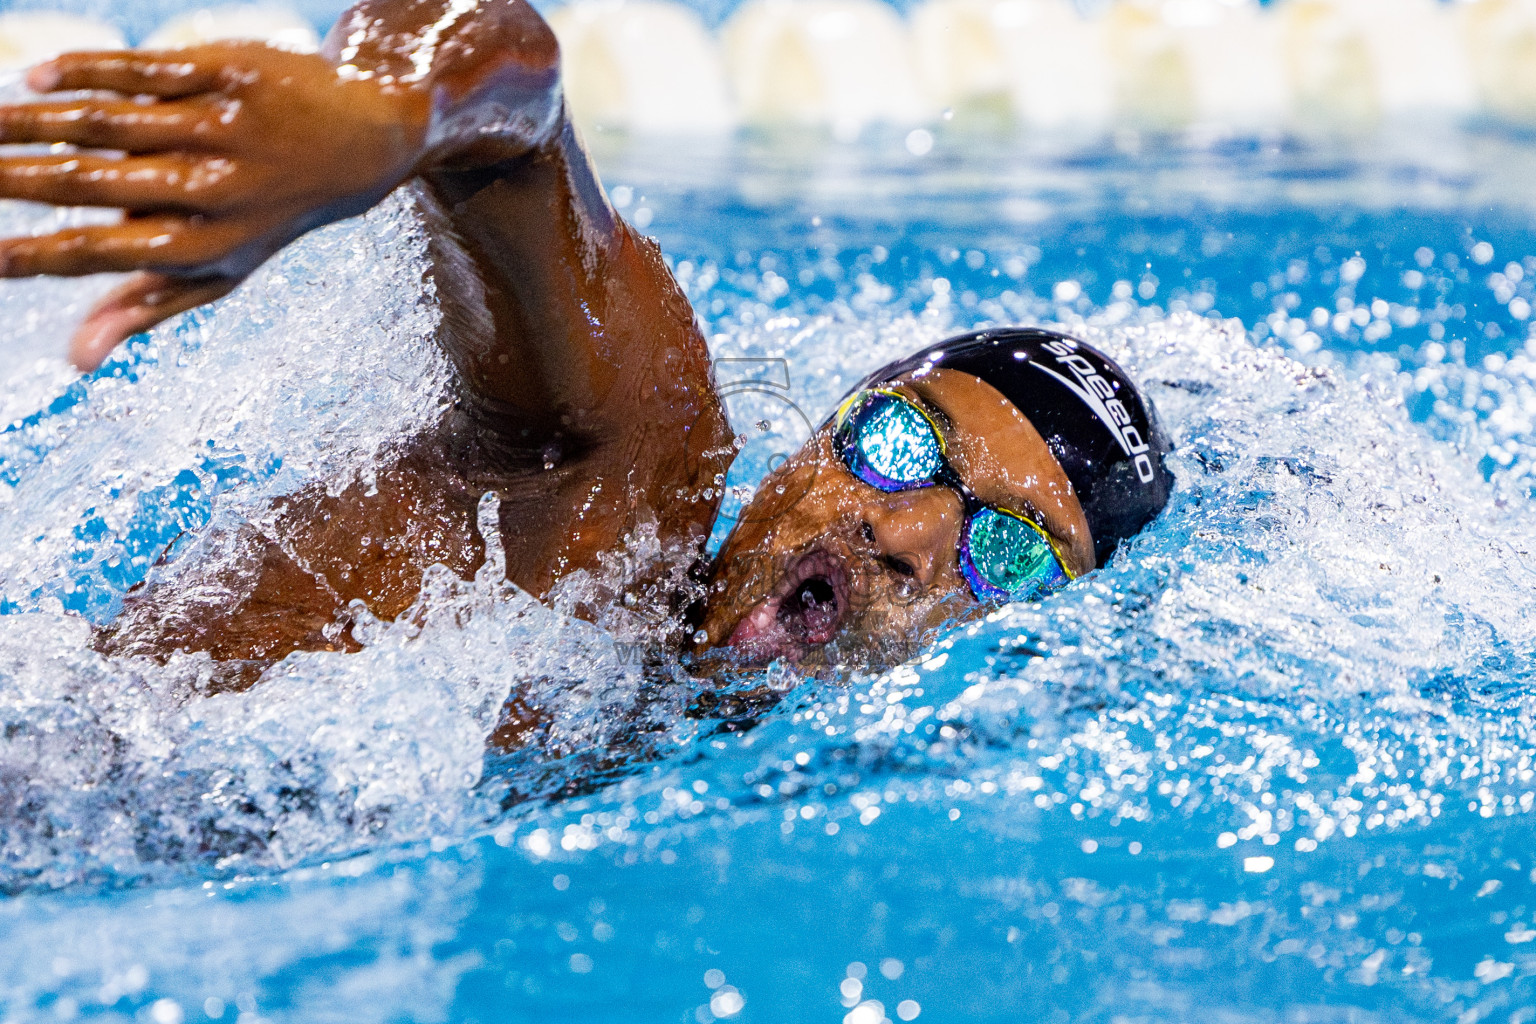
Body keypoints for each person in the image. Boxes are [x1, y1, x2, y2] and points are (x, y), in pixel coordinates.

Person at [0, 0, 1173, 700]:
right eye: (902, 442)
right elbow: (505, 91)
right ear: (817, 437)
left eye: (1009, 553)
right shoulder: (628, 470)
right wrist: (380, 120)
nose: (910, 532)